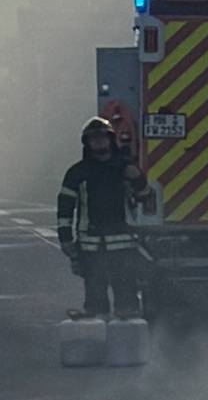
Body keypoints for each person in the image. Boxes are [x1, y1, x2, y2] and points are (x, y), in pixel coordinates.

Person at [55, 118, 157, 320]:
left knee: (126, 299)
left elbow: (144, 196)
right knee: (95, 297)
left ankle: (128, 339)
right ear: (87, 143)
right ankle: (97, 334)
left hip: (123, 244)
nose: (99, 142)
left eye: (102, 137)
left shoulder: (125, 169)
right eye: (94, 139)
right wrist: (65, 239)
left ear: (111, 139)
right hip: (91, 246)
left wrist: (137, 178)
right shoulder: (77, 173)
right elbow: (65, 207)